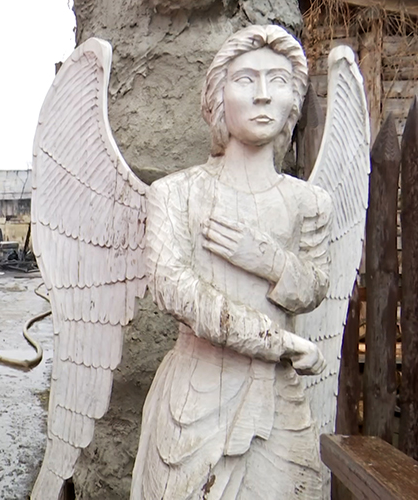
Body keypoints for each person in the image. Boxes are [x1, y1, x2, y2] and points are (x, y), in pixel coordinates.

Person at [131, 25, 331, 498]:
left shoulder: (309, 202)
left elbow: (313, 288)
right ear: (218, 96)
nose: (263, 95)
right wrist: (277, 341)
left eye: (278, 80)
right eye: (246, 80)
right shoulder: (175, 194)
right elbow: (176, 290)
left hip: (278, 403)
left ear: (294, 101)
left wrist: (266, 258)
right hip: (196, 401)